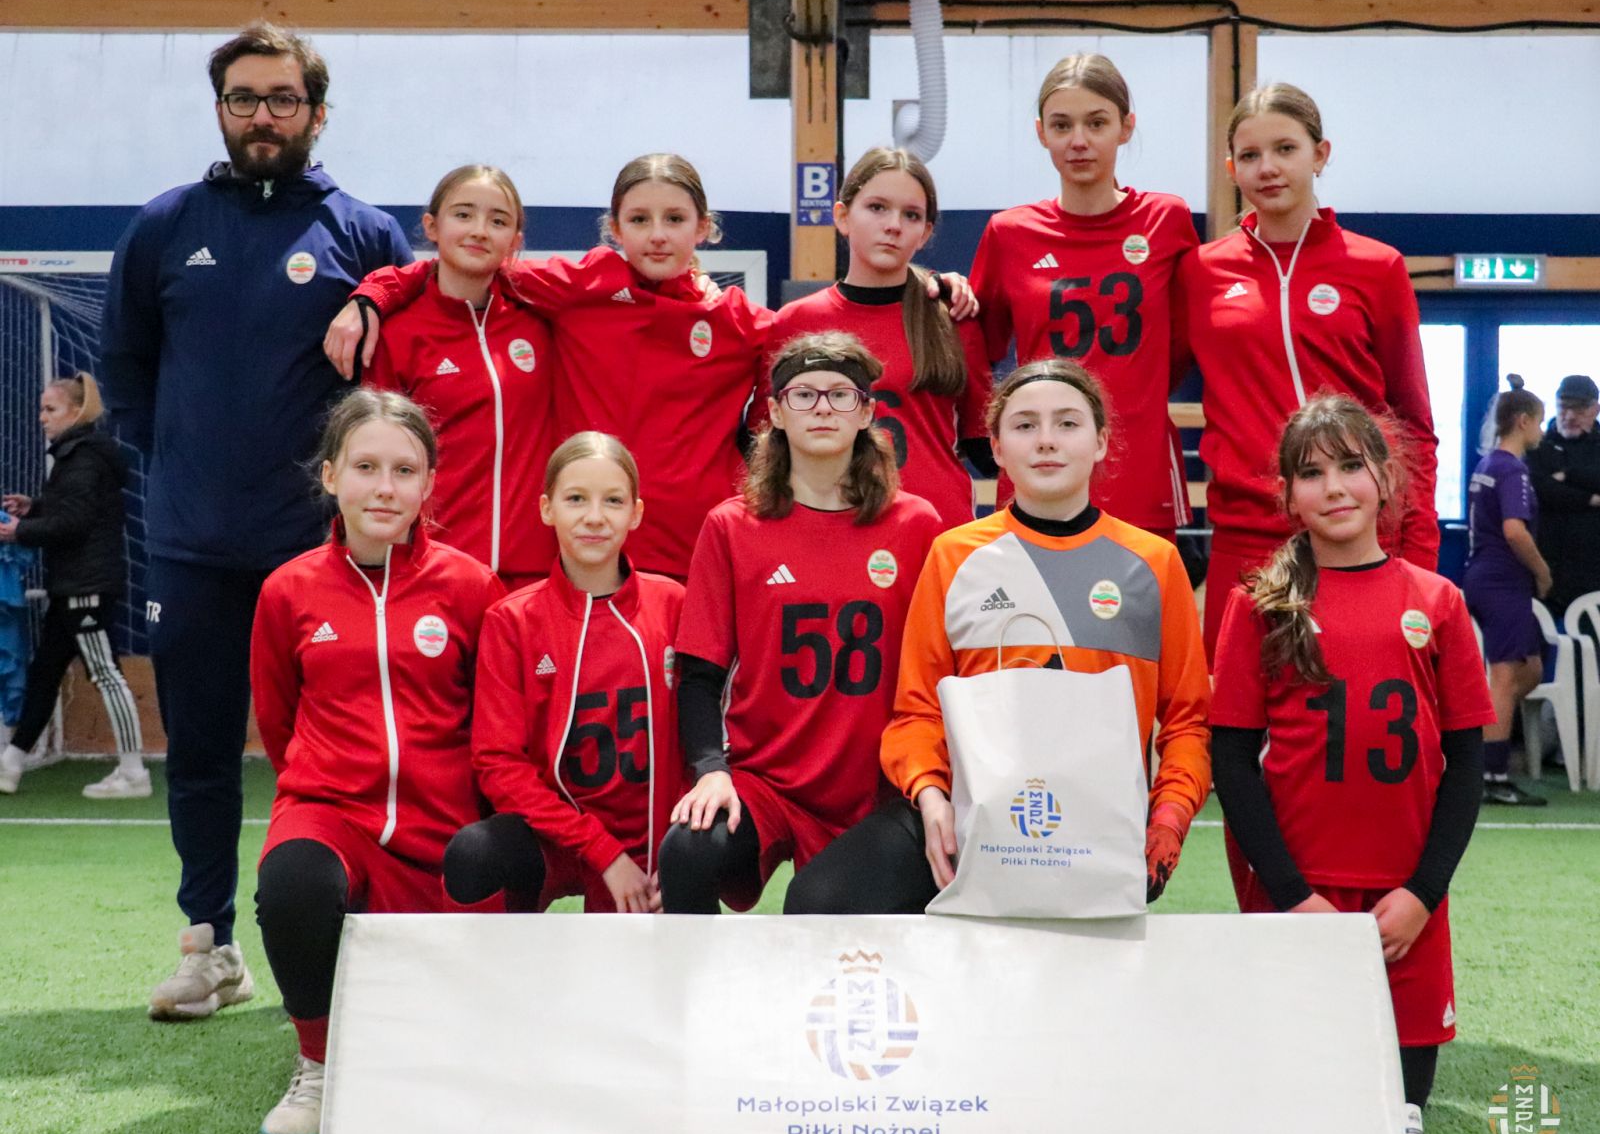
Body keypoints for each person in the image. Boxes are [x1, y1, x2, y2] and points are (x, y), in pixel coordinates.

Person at [98, 22, 412, 1020]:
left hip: (322, 554)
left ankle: (354, 940)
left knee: (339, 755)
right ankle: (211, 945)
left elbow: (401, 379)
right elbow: (124, 368)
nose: (262, 116)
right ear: (221, 109)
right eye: (244, 98)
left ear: (317, 112)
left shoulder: (365, 235)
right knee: (198, 750)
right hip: (192, 546)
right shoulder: (164, 225)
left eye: (282, 99)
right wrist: (176, 464)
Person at [325, 153, 976, 578]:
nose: (657, 234)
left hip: (696, 549)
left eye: (674, 218)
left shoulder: (740, 321)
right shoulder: (577, 286)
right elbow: (468, 263)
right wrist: (373, 293)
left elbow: (834, 339)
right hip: (589, 540)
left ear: (704, 228)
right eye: (640, 219)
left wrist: (930, 284)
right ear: (614, 228)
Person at [787, 358, 1211, 914]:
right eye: (1025, 425)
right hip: (968, 816)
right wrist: (931, 798)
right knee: (817, 899)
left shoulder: (1153, 564)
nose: (1046, 441)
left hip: (1098, 827)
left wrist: (1169, 819)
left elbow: (1187, 723)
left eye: (1067, 423)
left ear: (1101, 442)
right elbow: (916, 712)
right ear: (997, 447)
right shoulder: (954, 556)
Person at [1211, 394, 1493, 1134]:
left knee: (1400, 1111)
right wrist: (1290, 894)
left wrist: (1424, 893)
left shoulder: (1438, 601)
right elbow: (1231, 760)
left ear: (1385, 477)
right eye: (1311, 473)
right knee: (1294, 1100)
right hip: (1297, 891)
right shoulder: (1260, 605)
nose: (1333, 487)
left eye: (1349, 466)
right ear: (1287, 494)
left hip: (1403, 898)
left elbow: (1466, 763)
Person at [250, 390, 504, 1134]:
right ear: (331, 476)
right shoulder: (287, 591)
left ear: (429, 484)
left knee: (447, 1062)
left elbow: (494, 723)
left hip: (444, 831)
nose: (384, 488)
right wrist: (324, 788)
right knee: (292, 880)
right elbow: (280, 721)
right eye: (365, 467)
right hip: (334, 816)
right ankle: (318, 1064)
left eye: (404, 470)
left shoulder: (472, 587)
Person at [658, 332, 943, 913]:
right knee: (688, 850)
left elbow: (943, 674)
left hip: (882, 785)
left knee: (817, 905)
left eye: (841, 395)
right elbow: (699, 675)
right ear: (776, 412)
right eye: (804, 394)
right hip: (768, 783)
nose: (822, 408)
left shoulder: (916, 525)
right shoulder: (732, 526)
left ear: (866, 412)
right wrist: (711, 771)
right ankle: (698, 977)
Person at [1176, 82, 1439, 657]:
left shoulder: (1378, 267)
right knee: (1236, 706)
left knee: (1355, 704)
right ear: (1231, 169)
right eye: (1250, 155)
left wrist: (1419, 552)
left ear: (1320, 155)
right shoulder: (1201, 272)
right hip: (1246, 539)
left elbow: (1414, 422)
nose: (1267, 168)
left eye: (1285, 149)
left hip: (1362, 535)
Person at [445, 432, 684, 914]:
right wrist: (602, 851)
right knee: (476, 851)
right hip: (559, 840)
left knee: (697, 856)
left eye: (613, 501)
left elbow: (706, 735)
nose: (594, 516)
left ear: (636, 513)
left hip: (658, 842)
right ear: (546, 508)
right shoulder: (512, 620)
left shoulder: (673, 605)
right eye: (576, 499)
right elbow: (498, 764)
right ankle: (511, 954)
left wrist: (676, 851)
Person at [971, 53, 1198, 544]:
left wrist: (1135, 392)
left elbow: (1181, 346)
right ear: (1041, 133)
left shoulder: (1167, 220)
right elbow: (974, 345)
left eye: (1096, 123)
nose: (1078, 140)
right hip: (1038, 477)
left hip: (1138, 475)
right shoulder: (1009, 233)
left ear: (1126, 127)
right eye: (1062, 125)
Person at [770, 147, 992, 530]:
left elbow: (987, 445)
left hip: (939, 528)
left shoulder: (952, 314)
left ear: (925, 233)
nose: (893, 225)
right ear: (843, 217)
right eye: (877, 208)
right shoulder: (796, 321)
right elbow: (769, 446)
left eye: (911, 215)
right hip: (834, 529)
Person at [366, 165, 555, 587]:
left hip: (533, 572)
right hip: (436, 571)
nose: (479, 231)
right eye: (463, 214)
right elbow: (379, 457)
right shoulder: (398, 333)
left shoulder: (543, 322)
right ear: (431, 226)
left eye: (498, 221)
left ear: (516, 241)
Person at [0, 373, 147, 798]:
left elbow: (75, 522)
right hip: (72, 585)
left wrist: (19, 532)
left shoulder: (84, 458)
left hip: (86, 586)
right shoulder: (77, 456)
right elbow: (71, 508)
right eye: (41, 409)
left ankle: (133, 772)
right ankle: (11, 763)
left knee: (106, 675)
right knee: (45, 673)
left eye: (50, 409)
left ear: (77, 413)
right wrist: (34, 508)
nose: (42, 417)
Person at [1464, 386, 1551, 807]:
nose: (1542, 431)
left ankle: (1480, 740)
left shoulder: (1488, 463)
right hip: (1502, 581)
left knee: (1529, 668)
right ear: (1523, 421)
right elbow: (1514, 531)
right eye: (1540, 421)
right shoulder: (1512, 470)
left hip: (1484, 576)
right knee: (1504, 675)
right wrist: (1542, 571)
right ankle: (1493, 775)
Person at [1526, 373, 1600, 617]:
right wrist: (1590, 499)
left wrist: (1568, 475)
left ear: (1595, 409)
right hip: (1547, 564)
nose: (1569, 416)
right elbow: (1542, 489)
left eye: (1579, 409)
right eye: (1564, 407)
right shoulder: (1539, 444)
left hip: (1592, 565)